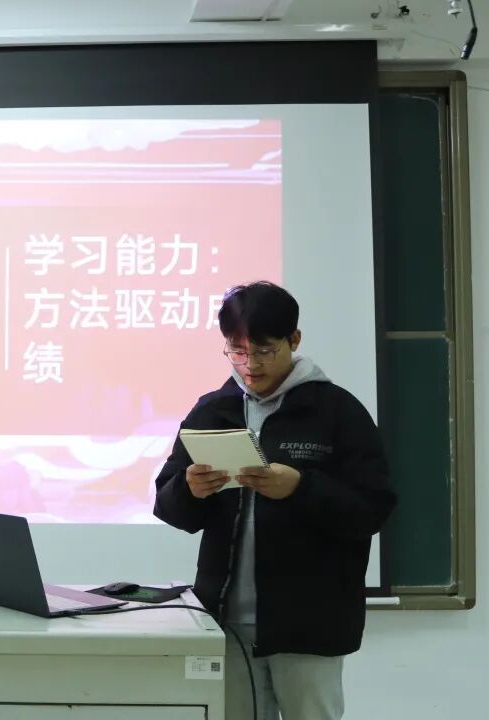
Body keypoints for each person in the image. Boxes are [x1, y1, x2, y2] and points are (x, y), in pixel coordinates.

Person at [153, 281, 396, 720]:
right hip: (225, 622)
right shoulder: (213, 410)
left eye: (264, 350)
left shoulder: (337, 412)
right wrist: (189, 490)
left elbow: (373, 509)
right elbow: (168, 506)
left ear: (294, 339)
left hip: (310, 622)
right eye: (237, 351)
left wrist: (301, 488)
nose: (251, 365)